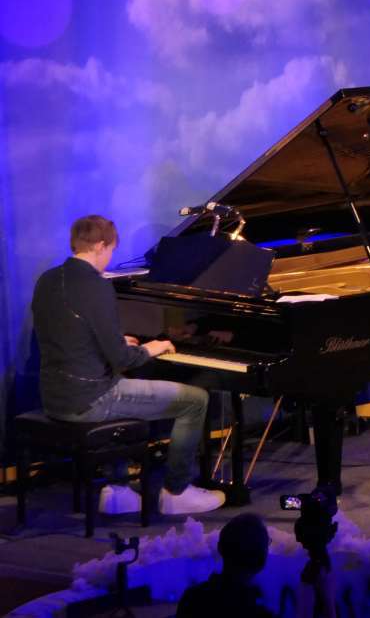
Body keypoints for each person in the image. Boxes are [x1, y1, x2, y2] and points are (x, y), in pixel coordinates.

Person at [31, 215, 226, 515]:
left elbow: (71, 335)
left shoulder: (47, 280)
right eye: (111, 251)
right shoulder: (97, 286)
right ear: (101, 245)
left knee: (125, 383)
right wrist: (151, 347)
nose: (109, 259)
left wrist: (116, 341)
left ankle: (118, 490)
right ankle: (177, 492)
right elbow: (123, 359)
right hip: (91, 399)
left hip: (54, 397)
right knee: (195, 401)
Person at [175, 513, 274, 618]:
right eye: (267, 543)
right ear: (261, 556)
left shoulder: (192, 599)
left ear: (220, 547)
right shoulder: (260, 611)